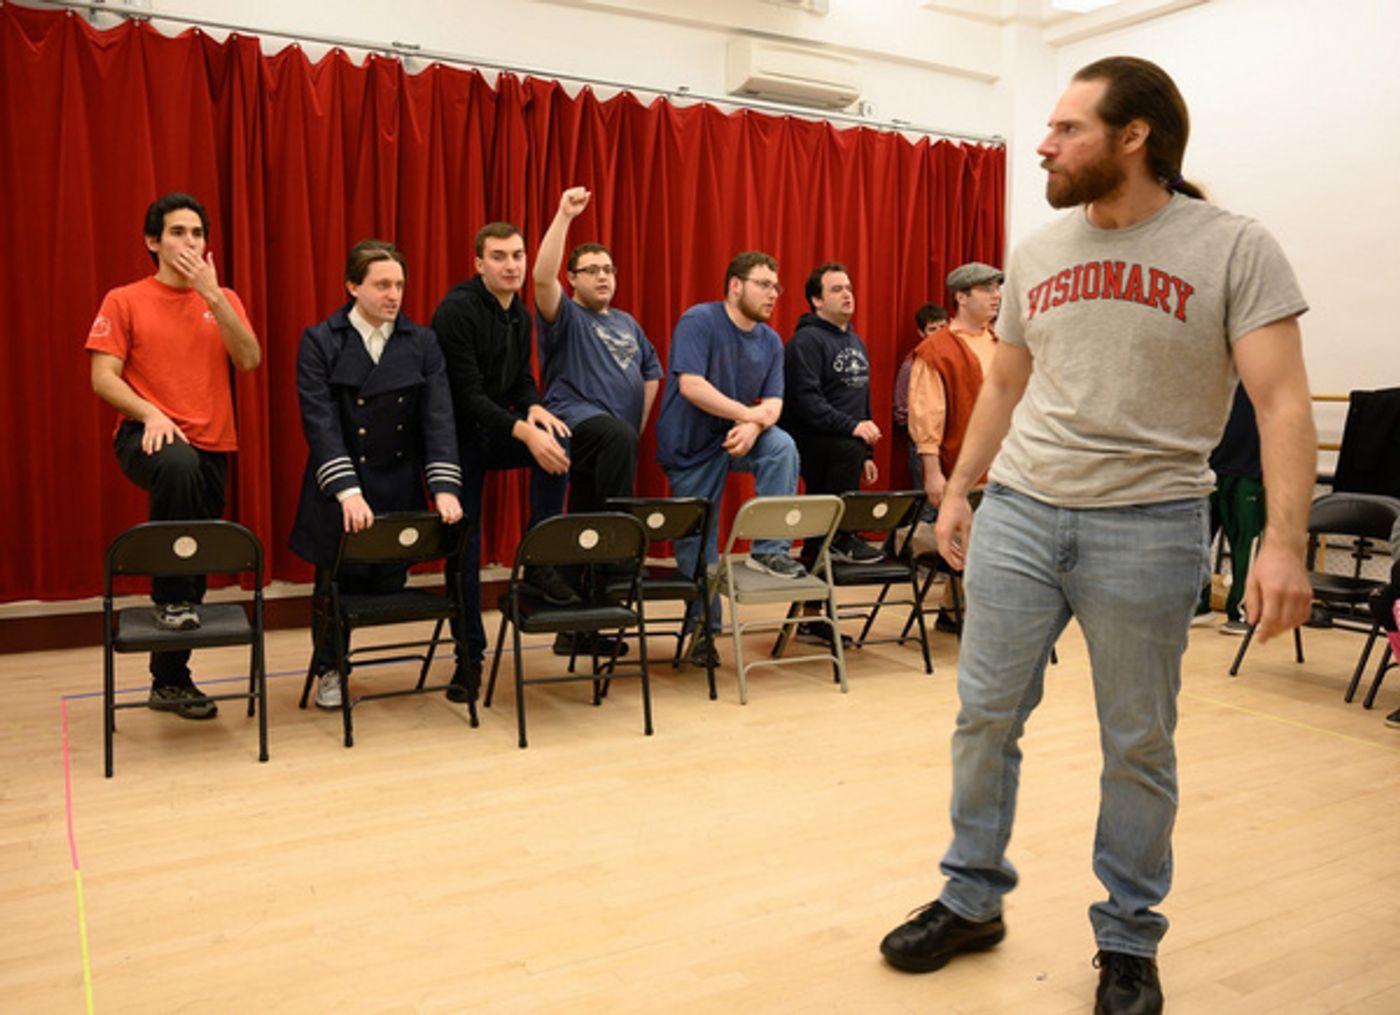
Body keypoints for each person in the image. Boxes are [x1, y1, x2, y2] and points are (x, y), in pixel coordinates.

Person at [878, 57, 1316, 1015]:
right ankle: (971, 895)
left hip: (1151, 523)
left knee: (1138, 743)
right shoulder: (1037, 250)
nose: (1043, 142)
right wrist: (959, 489)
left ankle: (1127, 937)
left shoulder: (1233, 247)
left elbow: (1282, 401)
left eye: (1068, 128)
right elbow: (1004, 382)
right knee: (985, 717)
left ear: (1134, 136)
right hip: (1023, 511)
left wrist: (1283, 541)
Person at [86, 192, 261, 720]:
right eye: (179, 232)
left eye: (198, 233)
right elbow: (101, 379)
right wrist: (150, 413)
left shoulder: (221, 296)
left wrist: (213, 295)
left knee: (198, 552)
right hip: (148, 436)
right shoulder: (124, 299)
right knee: (179, 469)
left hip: (213, 443)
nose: (190, 242)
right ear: (152, 241)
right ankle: (169, 600)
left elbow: (249, 359)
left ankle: (170, 680)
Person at [289, 240, 464, 709]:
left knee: (384, 584)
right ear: (352, 287)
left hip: (397, 482)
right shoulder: (321, 340)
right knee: (334, 584)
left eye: (400, 285)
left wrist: (444, 488)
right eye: (382, 284)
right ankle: (330, 667)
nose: (394, 294)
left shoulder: (422, 342)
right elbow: (320, 422)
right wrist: (347, 489)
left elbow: (438, 420)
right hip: (340, 485)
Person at [432, 222, 572, 700]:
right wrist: (525, 432)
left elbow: (520, 382)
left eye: (517, 255)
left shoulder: (521, 314)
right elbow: (466, 396)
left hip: (496, 429)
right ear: (478, 263)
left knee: (559, 441)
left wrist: (534, 408)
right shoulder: (457, 310)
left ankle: (539, 559)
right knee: (464, 549)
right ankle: (467, 659)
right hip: (455, 440)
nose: (511, 265)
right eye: (499, 257)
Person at [655, 251, 803, 661]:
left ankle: (770, 550)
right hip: (689, 446)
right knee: (698, 549)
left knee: (781, 446)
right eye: (764, 284)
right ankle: (704, 632)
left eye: (777, 286)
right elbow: (692, 386)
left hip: (738, 434)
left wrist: (755, 425)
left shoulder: (771, 340)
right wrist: (747, 415)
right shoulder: (699, 321)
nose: (773, 293)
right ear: (735, 286)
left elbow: (774, 403)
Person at [781, 262, 882, 646]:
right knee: (828, 528)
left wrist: (865, 451)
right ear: (816, 300)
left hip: (845, 444)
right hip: (811, 440)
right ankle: (843, 536)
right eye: (837, 288)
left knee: (817, 534)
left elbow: (862, 401)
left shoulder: (856, 341)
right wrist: (853, 433)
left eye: (849, 287)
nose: (847, 293)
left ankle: (809, 616)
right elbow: (806, 401)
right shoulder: (805, 342)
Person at [907, 262, 1002, 514]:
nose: (997, 295)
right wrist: (933, 472)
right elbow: (927, 416)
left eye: (997, 288)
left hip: (1005, 470)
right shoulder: (936, 351)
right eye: (987, 289)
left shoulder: (1000, 343)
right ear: (961, 297)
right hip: (963, 471)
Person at [1192, 385, 1265, 634]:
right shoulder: (1213, 370)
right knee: (1195, 541)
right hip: (1209, 468)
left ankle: (1244, 612)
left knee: (1245, 546)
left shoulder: (1265, 370)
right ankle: (1197, 605)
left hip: (1249, 472)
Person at [893, 302, 949, 493]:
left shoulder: (955, 361)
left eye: (943, 327)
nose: (940, 333)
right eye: (933, 329)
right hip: (922, 442)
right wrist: (922, 424)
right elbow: (900, 410)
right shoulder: (911, 366)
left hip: (952, 439)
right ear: (921, 333)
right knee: (928, 501)